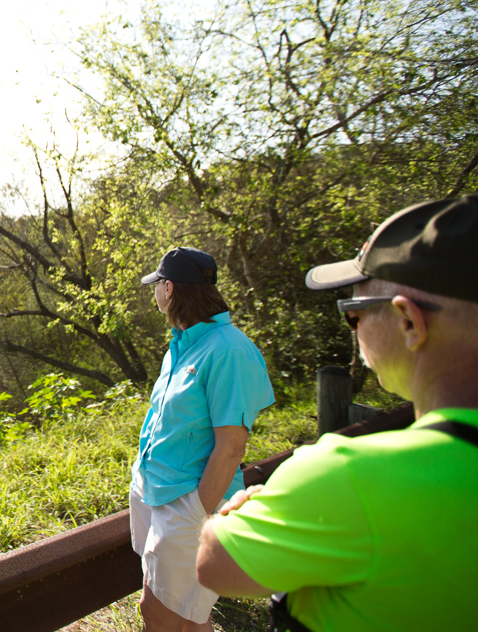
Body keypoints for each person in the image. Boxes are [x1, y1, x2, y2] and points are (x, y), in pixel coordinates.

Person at [197, 196, 478, 632]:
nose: (356, 329)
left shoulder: (347, 476)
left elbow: (213, 564)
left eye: (354, 314)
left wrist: (229, 512)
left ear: (409, 322)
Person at [131, 247, 274, 632]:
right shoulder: (183, 343)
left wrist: (196, 513)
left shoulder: (228, 350)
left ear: (170, 289)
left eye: (156, 284)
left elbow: (231, 447)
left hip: (188, 504)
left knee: (158, 613)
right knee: (189, 616)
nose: (154, 292)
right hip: (156, 493)